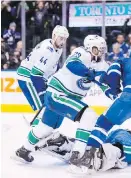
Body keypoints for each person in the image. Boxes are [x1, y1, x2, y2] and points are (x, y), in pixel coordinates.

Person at [14, 35, 109, 163]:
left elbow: (105, 85)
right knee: (89, 115)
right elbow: (72, 65)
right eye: (98, 49)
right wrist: (89, 73)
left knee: (45, 127)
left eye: (103, 49)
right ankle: (78, 155)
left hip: (64, 98)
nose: (101, 51)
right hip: (58, 93)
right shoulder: (81, 52)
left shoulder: (103, 65)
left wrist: (116, 94)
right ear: (89, 47)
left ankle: (24, 150)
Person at [37, 126, 131, 172]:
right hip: (128, 143)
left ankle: (62, 144)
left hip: (118, 135)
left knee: (89, 152)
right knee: (105, 157)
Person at [16, 25, 69, 116]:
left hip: (38, 77)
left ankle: (45, 128)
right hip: (27, 78)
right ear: (54, 36)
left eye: (65, 39)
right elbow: (35, 75)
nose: (63, 42)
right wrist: (42, 93)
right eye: (61, 38)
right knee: (42, 107)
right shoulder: (47, 50)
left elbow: (52, 65)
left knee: (48, 105)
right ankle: (38, 129)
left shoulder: (56, 47)